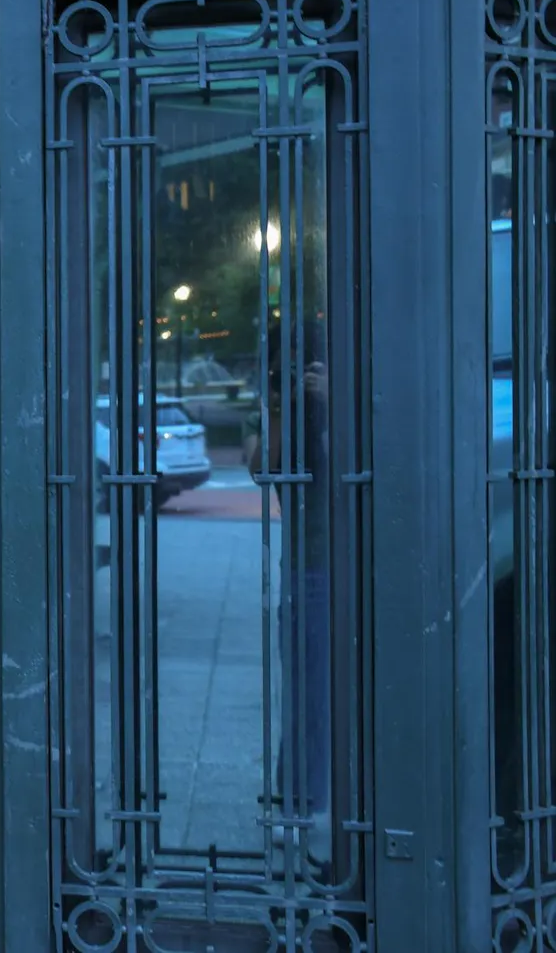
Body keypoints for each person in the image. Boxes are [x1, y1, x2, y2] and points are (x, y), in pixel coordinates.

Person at [243, 321, 332, 859]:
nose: (297, 371)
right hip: (309, 564)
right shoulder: (273, 408)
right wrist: (280, 407)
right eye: (285, 361)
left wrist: (334, 400)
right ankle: (298, 799)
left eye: (306, 361)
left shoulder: (348, 397)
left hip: (353, 560)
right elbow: (261, 469)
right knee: (304, 684)